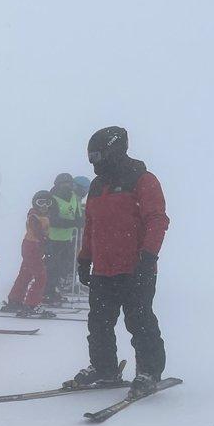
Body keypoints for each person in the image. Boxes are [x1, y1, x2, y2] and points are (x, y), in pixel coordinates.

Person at [68, 126, 170, 393]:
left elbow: (157, 220)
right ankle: (104, 368)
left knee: (139, 321)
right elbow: (92, 225)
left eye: (97, 157)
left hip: (135, 267)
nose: (93, 164)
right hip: (104, 268)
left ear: (113, 151)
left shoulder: (142, 179)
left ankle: (149, 371)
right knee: (99, 323)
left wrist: (148, 257)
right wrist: (84, 258)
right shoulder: (98, 185)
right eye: (91, 158)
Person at [1, 190, 57, 318]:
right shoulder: (34, 217)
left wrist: (46, 244)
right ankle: (31, 304)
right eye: (40, 202)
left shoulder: (43, 215)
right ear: (35, 203)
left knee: (26, 273)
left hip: (32, 247)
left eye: (47, 203)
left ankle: (15, 299)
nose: (44, 206)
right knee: (40, 276)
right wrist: (46, 243)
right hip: (33, 247)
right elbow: (37, 231)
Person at [44, 173, 80, 304]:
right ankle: (47, 292)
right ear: (58, 184)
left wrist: (80, 221)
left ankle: (53, 290)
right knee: (51, 267)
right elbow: (52, 220)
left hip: (66, 238)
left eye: (69, 183)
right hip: (51, 238)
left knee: (62, 267)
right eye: (64, 183)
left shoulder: (74, 197)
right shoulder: (51, 198)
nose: (67, 186)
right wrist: (73, 223)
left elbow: (77, 215)